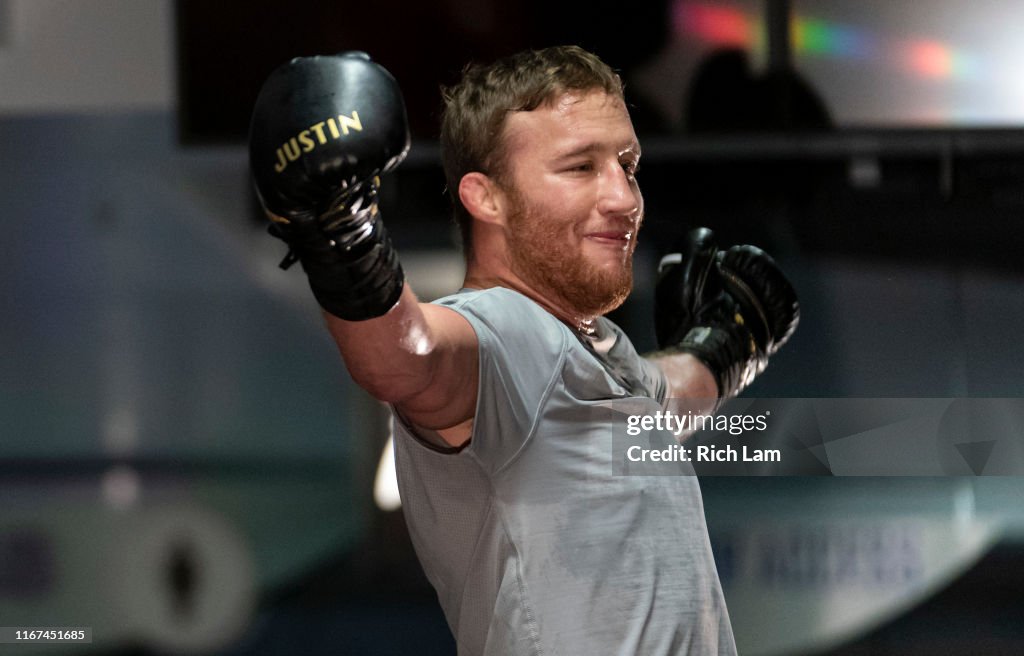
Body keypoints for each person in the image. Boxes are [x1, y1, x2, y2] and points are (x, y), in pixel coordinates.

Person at [249, 46, 798, 655]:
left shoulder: (599, 353)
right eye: (580, 168)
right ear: (486, 197)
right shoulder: (502, 331)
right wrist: (339, 228)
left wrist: (720, 352)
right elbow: (404, 355)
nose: (624, 198)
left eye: (627, 164)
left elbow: (663, 399)